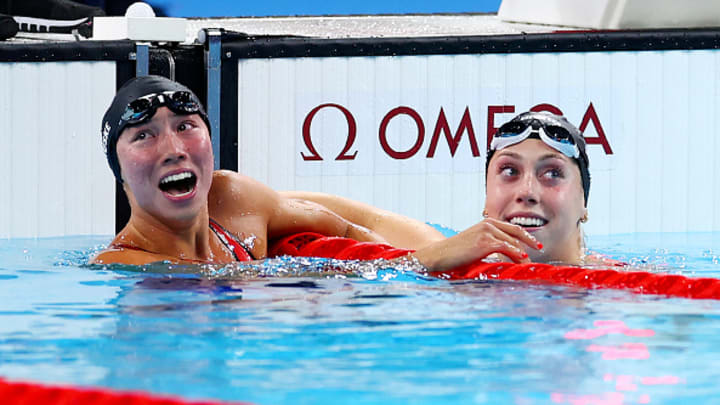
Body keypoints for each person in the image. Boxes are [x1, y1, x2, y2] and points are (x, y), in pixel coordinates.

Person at [91, 75, 541, 269]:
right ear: (119, 171)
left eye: (186, 127)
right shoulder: (123, 263)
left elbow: (363, 227)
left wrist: (457, 253)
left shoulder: (233, 199)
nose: (173, 149)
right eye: (144, 136)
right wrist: (428, 262)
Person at [293, 111, 614, 266]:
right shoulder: (445, 250)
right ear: (487, 199)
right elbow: (346, 219)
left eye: (552, 173)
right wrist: (433, 258)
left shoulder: (620, 286)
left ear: (584, 200)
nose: (527, 191)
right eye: (509, 171)